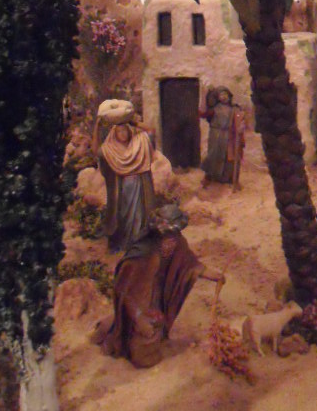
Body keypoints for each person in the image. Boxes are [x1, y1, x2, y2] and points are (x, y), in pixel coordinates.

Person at [93, 200, 225, 368]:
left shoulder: (176, 242)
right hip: (138, 300)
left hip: (155, 296)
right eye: (169, 235)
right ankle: (118, 333)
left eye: (175, 234)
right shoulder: (141, 256)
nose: (173, 240)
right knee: (143, 350)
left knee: (155, 330)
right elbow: (125, 291)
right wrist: (139, 318)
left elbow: (189, 264)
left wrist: (213, 275)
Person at [93, 99, 156, 252]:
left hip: (139, 187)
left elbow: (152, 131)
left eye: (125, 130)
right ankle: (124, 244)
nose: (123, 134)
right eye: (119, 131)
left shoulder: (139, 142)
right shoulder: (110, 149)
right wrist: (97, 126)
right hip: (122, 190)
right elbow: (95, 150)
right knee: (122, 218)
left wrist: (134, 122)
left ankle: (139, 243)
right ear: (114, 134)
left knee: (139, 217)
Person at [200, 86, 247, 187]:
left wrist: (241, 126)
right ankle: (209, 177)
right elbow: (203, 113)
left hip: (229, 135)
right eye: (221, 94)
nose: (224, 97)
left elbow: (240, 119)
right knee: (213, 155)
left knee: (229, 156)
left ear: (229, 95)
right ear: (218, 97)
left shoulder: (234, 108)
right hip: (216, 135)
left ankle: (230, 179)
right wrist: (204, 95)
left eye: (225, 94)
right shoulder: (214, 109)